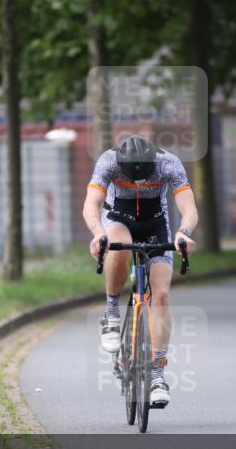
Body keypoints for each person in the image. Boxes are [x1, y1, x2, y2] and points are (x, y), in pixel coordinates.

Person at [83, 135, 198, 408]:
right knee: (117, 247)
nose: (138, 184)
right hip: (118, 218)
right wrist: (98, 233)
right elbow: (92, 203)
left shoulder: (168, 163)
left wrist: (184, 233)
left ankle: (157, 375)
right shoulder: (108, 162)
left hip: (155, 223)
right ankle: (111, 312)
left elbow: (189, 208)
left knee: (161, 296)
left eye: (144, 178)